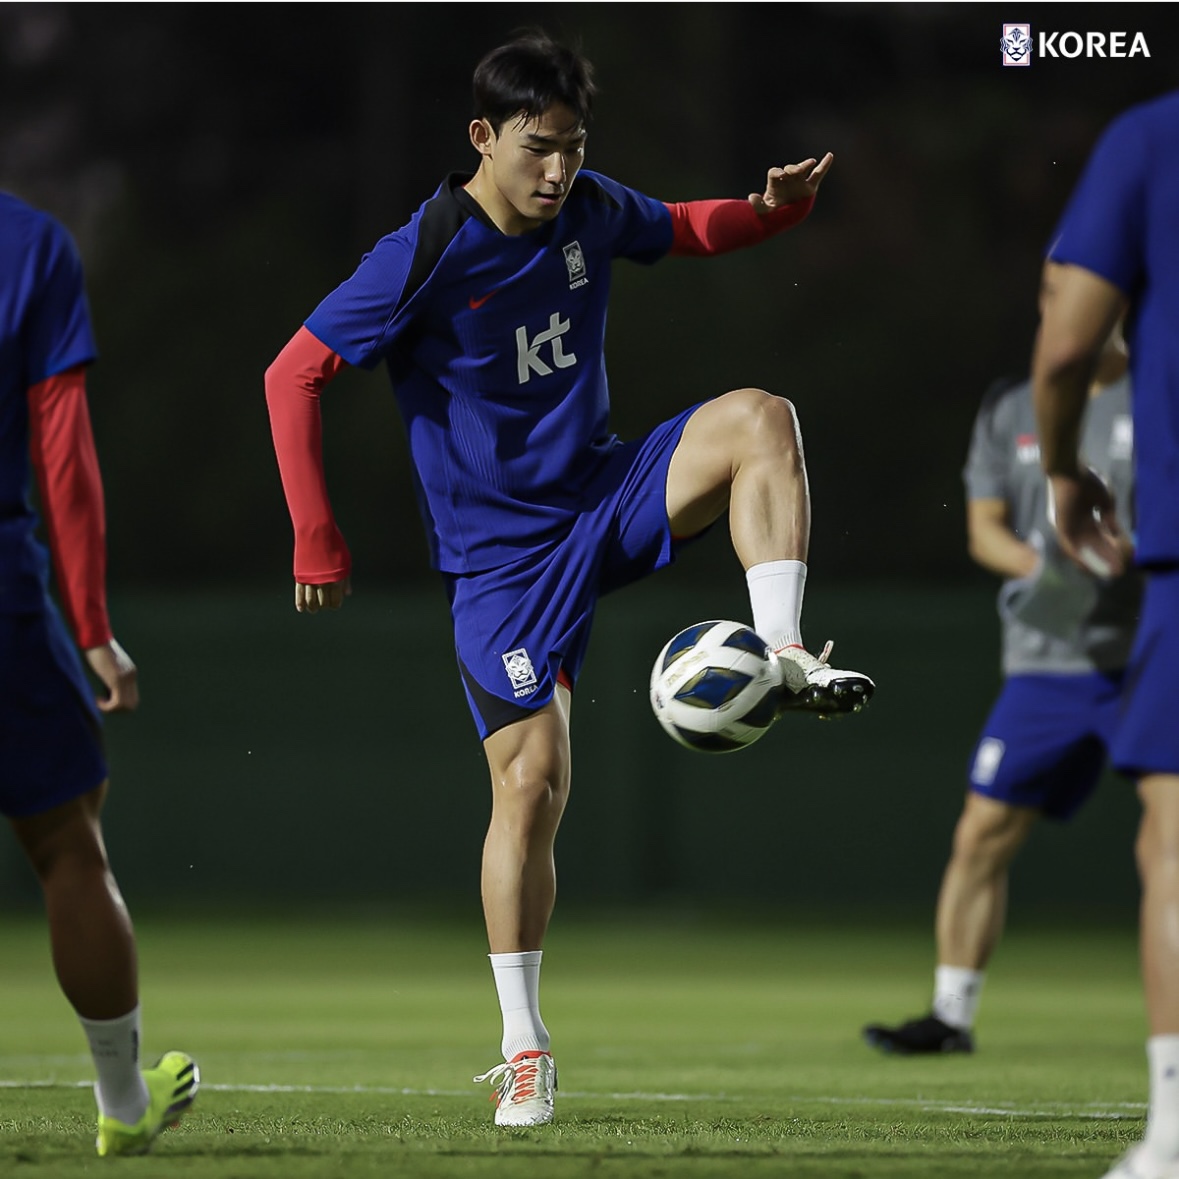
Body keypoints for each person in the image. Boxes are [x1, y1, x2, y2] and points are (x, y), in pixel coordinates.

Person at [265, 31, 873, 1128]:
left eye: (574, 147)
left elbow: (683, 226)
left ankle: (782, 650)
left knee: (760, 418)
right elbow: (292, 372)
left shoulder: (586, 209)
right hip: (500, 566)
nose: (558, 171)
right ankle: (524, 1047)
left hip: (603, 494)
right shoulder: (425, 251)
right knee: (533, 784)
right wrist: (317, 537)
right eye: (537, 148)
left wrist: (770, 214)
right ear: (482, 137)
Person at [863, 271, 1139, 1056]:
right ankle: (949, 1015)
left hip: (1149, 655)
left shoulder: (1157, 397)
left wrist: (1125, 564)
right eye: (1053, 288)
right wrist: (1049, 571)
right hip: (1046, 665)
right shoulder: (1012, 407)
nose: (1067, 303)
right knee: (981, 829)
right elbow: (983, 528)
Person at [0, 192, 198, 1156]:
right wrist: (92, 628)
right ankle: (123, 1103)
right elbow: (63, 452)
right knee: (67, 846)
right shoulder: (29, 245)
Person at [1030, 92, 1179, 1179]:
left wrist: (1060, 469)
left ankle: (1175, 1134)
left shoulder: (1151, 138)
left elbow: (1068, 342)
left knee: (1174, 846)